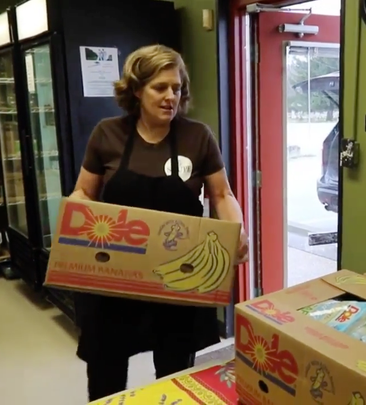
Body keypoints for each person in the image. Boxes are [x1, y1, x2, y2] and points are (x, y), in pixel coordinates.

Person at [70, 44, 249, 401]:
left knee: (174, 374)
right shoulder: (107, 134)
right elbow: (83, 194)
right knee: (106, 372)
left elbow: (221, 195)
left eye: (177, 88)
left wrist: (237, 230)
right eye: (160, 87)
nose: (171, 96)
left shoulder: (197, 136)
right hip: (115, 279)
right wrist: (74, 217)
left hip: (177, 278)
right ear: (137, 90)